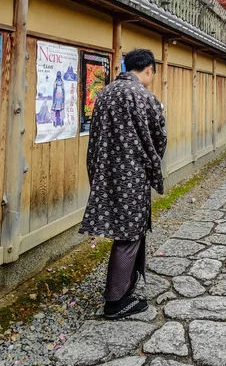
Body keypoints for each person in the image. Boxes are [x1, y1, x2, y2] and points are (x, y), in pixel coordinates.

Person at [79, 49, 167, 319]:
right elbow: (159, 135)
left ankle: (127, 284)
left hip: (105, 170)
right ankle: (115, 300)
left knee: (127, 231)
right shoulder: (142, 95)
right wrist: (150, 162)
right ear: (149, 69)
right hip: (132, 175)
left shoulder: (105, 92)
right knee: (129, 234)